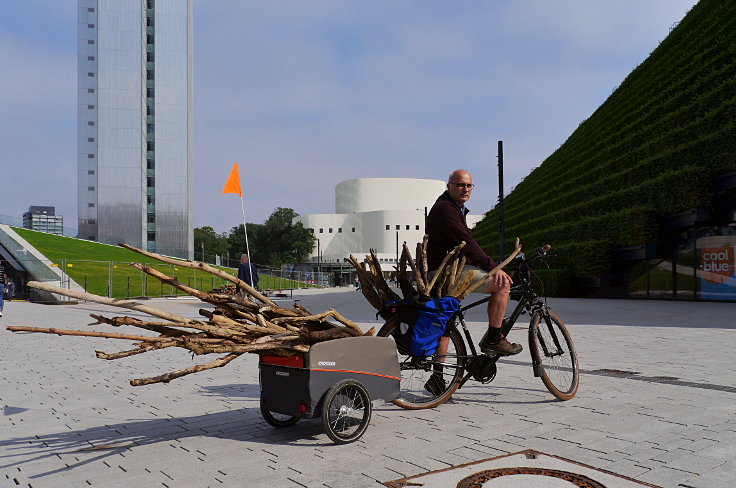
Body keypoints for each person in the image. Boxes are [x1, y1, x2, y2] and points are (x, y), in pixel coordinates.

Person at [426, 169, 522, 357]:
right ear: (449, 186)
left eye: (469, 185)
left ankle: (439, 379)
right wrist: (493, 267)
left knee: (447, 325)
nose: (466, 189)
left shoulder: (452, 207)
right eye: (460, 185)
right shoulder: (446, 209)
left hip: (444, 270)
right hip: (444, 273)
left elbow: (462, 245)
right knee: (502, 285)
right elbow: (467, 243)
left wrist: (486, 264)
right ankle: (494, 339)